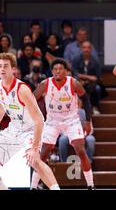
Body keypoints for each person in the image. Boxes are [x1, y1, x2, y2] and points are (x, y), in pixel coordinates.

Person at [31, 58, 94, 189]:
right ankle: (33, 186)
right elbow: (31, 99)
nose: (58, 71)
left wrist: (87, 120)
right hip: (53, 121)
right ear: (52, 71)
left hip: (71, 120)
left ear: (66, 71)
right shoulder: (45, 84)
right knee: (43, 153)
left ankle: (90, 185)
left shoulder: (74, 83)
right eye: (55, 69)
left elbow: (86, 100)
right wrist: (34, 117)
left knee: (81, 150)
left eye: (60, 69)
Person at [0, 53, 60, 190]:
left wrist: (34, 148)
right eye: (0, 66)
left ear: (13, 69)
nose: (2, 69)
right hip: (14, 127)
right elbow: (2, 109)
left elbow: (39, 120)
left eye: (5, 66)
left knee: (35, 161)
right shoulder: (0, 88)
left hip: (31, 128)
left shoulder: (22, 89)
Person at [72, 41, 102, 115]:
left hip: (92, 84)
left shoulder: (95, 61)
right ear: (81, 49)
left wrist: (86, 79)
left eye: (88, 48)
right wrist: (87, 77)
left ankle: (94, 107)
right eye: (84, 47)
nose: (86, 49)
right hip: (79, 82)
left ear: (91, 49)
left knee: (97, 88)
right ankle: (76, 108)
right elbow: (74, 73)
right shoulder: (76, 59)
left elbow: (96, 77)